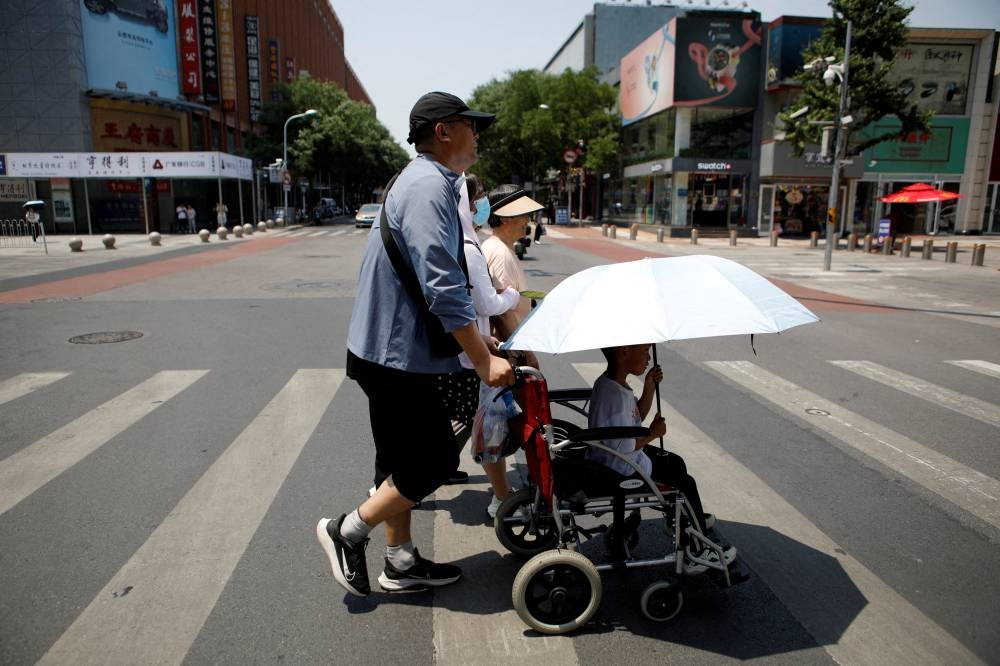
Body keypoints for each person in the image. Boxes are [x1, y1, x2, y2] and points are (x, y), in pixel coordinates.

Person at [316, 91, 512, 597]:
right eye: (472, 125)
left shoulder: (426, 181)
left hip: (386, 349)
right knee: (431, 464)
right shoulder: (428, 184)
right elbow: (443, 285)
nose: (478, 134)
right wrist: (483, 358)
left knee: (398, 461)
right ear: (444, 131)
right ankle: (348, 531)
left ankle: (400, 562)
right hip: (397, 355)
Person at [588, 344, 733, 560]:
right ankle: (701, 549)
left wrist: (649, 386)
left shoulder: (612, 385)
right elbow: (626, 446)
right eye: (644, 350)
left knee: (676, 463)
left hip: (616, 460)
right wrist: (652, 435)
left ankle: (683, 519)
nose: (648, 357)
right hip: (621, 469)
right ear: (623, 351)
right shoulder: (615, 398)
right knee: (684, 482)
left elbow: (636, 419)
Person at [453, 174, 520, 518]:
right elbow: (488, 303)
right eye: (477, 197)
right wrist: (511, 295)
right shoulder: (471, 247)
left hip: (472, 347)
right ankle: (501, 498)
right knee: (486, 427)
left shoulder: (470, 241)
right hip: (469, 358)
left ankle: (400, 480)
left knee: (470, 425)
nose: (482, 204)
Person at [481, 185, 544, 345]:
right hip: (509, 350)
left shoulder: (500, 247)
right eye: (523, 214)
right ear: (505, 218)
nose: (527, 220)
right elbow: (502, 313)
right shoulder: (500, 253)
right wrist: (525, 355)